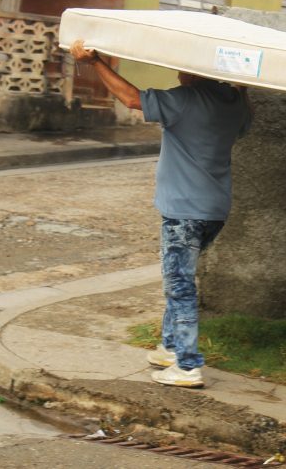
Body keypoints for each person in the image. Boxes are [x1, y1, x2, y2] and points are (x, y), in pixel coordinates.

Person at [69, 40, 252, 388]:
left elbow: (132, 99)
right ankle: (170, 347)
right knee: (182, 276)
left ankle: (187, 365)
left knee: (179, 285)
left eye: (184, 66)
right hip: (215, 210)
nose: (178, 72)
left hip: (184, 211)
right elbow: (245, 123)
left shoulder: (185, 101)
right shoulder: (233, 103)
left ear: (198, 72)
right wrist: (242, 90)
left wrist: (95, 62)